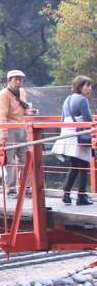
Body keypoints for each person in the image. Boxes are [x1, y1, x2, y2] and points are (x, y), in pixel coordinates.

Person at [52, 75, 94, 206]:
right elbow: (89, 121)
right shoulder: (82, 100)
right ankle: (81, 197)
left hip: (67, 137)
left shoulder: (68, 99)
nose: (90, 89)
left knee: (74, 166)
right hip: (78, 137)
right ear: (79, 86)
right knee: (83, 167)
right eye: (87, 86)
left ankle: (66, 193)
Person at [0, 70, 34, 199]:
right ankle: (11, 189)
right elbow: (2, 114)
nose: (18, 82)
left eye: (20, 79)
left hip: (22, 127)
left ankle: (26, 187)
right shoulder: (4, 94)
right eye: (15, 79)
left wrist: (29, 112)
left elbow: (23, 111)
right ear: (9, 81)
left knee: (26, 158)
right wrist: (3, 132)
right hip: (10, 128)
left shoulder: (22, 92)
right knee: (10, 160)